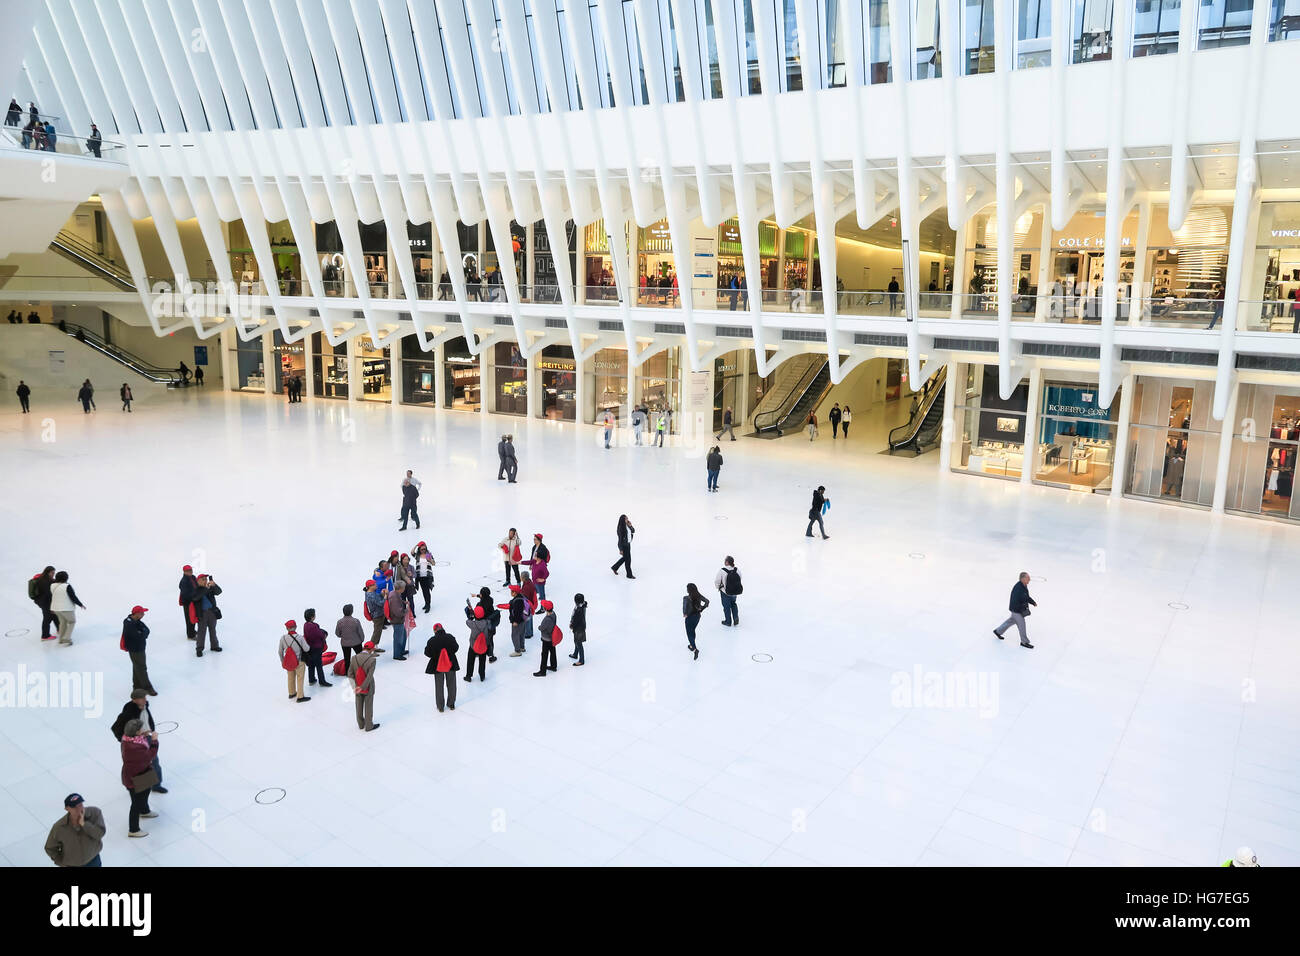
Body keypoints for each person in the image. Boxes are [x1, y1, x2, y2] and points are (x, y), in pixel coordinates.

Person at [111, 689, 167, 793]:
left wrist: (149, 730)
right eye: (143, 698)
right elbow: (115, 727)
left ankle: (155, 785)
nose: (145, 700)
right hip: (136, 741)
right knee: (139, 765)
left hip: (147, 736)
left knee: (154, 762)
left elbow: (146, 720)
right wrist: (125, 740)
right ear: (135, 700)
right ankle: (138, 788)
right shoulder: (128, 712)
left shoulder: (145, 706)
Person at [120, 718, 159, 838]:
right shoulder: (134, 748)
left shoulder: (127, 739)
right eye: (141, 729)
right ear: (136, 732)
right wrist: (154, 741)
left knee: (145, 792)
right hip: (136, 778)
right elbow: (150, 756)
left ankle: (145, 811)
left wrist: (144, 734)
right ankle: (133, 829)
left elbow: (141, 742)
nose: (143, 730)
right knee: (136, 803)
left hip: (140, 774)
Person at [44, 794, 106, 867]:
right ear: (67, 808)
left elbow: (99, 834)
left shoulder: (94, 813)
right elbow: (50, 848)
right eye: (74, 807)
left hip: (93, 861)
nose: (79, 809)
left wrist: (84, 824)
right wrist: (62, 863)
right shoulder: (59, 827)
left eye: (80, 805)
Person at [993, 572, 1037, 649]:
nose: (1029, 579)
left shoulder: (1024, 585)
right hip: (1016, 610)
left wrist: (1032, 602)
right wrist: (1020, 610)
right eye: (1028, 578)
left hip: (1016, 609)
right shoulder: (1018, 588)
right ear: (1022, 579)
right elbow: (1016, 600)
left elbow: (1026, 597)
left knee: (1010, 621)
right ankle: (1024, 642)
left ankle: (998, 631)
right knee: (1022, 625)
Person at [425, 622, 459, 711]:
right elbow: (456, 648)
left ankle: (440, 707)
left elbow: (427, 653)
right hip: (450, 664)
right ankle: (451, 704)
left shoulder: (432, 640)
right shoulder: (450, 637)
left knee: (439, 686)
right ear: (442, 628)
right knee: (451, 684)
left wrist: (436, 655)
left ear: (434, 631)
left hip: (437, 666)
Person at [121, 606, 156, 695]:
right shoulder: (129, 623)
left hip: (139, 648)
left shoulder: (136, 621)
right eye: (142, 613)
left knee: (137, 666)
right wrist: (142, 633)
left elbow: (147, 630)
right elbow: (139, 636)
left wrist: (142, 633)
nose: (143, 615)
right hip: (135, 649)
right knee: (141, 668)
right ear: (136, 614)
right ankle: (148, 687)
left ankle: (136, 686)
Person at [348, 641, 380, 731]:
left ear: (363, 648)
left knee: (358, 705)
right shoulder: (372, 660)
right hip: (368, 687)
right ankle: (369, 725)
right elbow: (369, 676)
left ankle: (361, 724)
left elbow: (350, 674)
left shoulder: (354, 658)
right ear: (372, 649)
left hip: (357, 686)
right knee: (368, 706)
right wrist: (363, 687)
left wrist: (355, 687)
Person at [49, 571, 86, 645]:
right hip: (66, 608)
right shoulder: (67, 586)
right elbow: (73, 597)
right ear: (66, 578)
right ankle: (67, 638)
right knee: (72, 622)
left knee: (62, 623)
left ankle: (61, 639)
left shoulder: (52, 585)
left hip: (56, 608)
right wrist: (80, 604)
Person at [191, 573, 223, 656]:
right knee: (201, 632)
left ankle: (214, 646)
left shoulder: (209, 588)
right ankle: (199, 649)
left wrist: (214, 585)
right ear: (198, 581)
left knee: (213, 630)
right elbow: (195, 597)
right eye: (203, 579)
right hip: (202, 614)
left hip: (212, 612)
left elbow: (219, 592)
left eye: (206, 579)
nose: (205, 580)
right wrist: (206, 589)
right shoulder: (195, 589)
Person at [279, 620, 311, 702]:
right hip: (299, 661)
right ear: (295, 627)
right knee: (300, 678)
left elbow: (280, 652)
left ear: (287, 628)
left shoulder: (283, 638)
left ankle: (292, 693)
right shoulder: (300, 637)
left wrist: (283, 662)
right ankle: (300, 697)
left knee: (290, 677)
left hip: (289, 661)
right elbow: (307, 649)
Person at [303, 608, 332, 688]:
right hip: (317, 648)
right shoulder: (314, 627)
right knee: (319, 665)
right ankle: (322, 681)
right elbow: (321, 635)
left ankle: (311, 679)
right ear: (312, 617)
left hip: (310, 648)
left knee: (311, 664)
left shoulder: (305, 625)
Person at [464, 605, 491, 682]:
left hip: (473, 646)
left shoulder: (473, 624)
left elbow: (467, 621)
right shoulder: (487, 622)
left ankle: (468, 676)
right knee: (482, 661)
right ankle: (482, 675)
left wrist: (471, 616)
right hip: (484, 645)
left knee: (470, 660)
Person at [335, 603, 365, 671]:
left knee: (347, 659)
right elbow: (360, 632)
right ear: (352, 612)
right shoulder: (356, 621)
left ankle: (347, 672)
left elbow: (337, 633)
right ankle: (361, 670)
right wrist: (361, 640)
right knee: (360, 657)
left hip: (345, 643)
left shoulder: (339, 622)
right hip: (356, 642)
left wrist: (343, 636)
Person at [682, 584, 709, 660]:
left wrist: (685, 614)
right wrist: (701, 609)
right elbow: (707, 601)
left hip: (690, 618)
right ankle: (691, 645)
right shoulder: (698, 595)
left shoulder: (686, 598)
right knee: (692, 630)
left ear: (689, 590)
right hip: (697, 617)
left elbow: (684, 608)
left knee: (689, 633)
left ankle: (694, 649)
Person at [532, 600, 558, 677]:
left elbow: (542, 628)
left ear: (546, 609)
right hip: (552, 637)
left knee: (544, 654)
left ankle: (542, 671)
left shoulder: (547, 619)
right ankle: (553, 666)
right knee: (553, 651)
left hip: (546, 639)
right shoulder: (554, 614)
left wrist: (539, 627)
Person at [714, 556, 742, 627]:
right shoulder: (737, 569)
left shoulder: (722, 570)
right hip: (735, 592)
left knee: (726, 607)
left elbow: (717, 581)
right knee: (733, 604)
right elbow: (740, 578)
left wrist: (719, 588)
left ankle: (728, 621)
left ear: (727, 562)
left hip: (725, 592)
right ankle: (736, 618)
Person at [32, 565, 57, 640]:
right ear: (48, 572)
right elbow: (48, 594)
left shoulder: (42, 579)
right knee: (47, 618)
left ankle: (59, 629)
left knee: (54, 615)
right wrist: (51, 607)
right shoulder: (45, 581)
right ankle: (45, 636)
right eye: (52, 573)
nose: (53, 574)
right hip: (45, 602)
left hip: (41, 601)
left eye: (54, 573)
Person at [522, 533, 549, 600]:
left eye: (535, 539)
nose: (534, 540)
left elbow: (542, 559)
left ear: (539, 540)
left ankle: (541, 594)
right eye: (533, 539)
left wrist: (543, 578)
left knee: (539, 580)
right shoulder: (534, 547)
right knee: (535, 578)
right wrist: (531, 564)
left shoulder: (543, 548)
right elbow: (532, 556)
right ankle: (537, 590)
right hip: (535, 563)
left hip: (540, 565)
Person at [387, 584, 409, 661]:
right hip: (397, 620)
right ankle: (397, 655)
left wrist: (403, 602)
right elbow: (398, 612)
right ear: (400, 588)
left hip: (398, 620)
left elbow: (398, 603)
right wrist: (406, 611)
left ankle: (401, 651)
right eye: (404, 587)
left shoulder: (395, 593)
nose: (404, 589)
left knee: (403, 636)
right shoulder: (394, 597)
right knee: (398, 638)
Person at [413, 541, 435, 612]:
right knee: (423, 591)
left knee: (427, 591)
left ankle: (428, 605)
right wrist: (416, 545)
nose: (423, 550)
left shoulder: (428, 555)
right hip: (420, 576)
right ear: (419, 549)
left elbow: (433, 563)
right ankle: (426, 604)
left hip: (427, 576)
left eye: (424, 549)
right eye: (422, 549)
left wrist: (430, 560)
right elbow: (412, 552)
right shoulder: (418, 556)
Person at [178, 564, 198, 640]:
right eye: (188, 570)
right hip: (188, 603)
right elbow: (185, 594)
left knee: (193, 617)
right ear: (184, 572)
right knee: (189, 619)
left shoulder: (193, 577)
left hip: (194, 601)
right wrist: (194, 596)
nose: (190, 571)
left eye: (191, 570)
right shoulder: (184, 581)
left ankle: (192, 631)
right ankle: (190, 635)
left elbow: (196, 586)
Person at [568, 593, 587, 666]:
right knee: (576, 640)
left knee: (579, 643)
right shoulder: (582, 605)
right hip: (580, 626)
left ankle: (581, 660)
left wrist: (571, 625)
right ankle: (575, 654)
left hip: (579, 628)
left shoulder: (579, 610)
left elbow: (576, 620)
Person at [507, 585, 527, 657]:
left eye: (511, 591)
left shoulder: (517, 601)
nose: (510, 592)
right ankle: (522, 647)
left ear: (514, 593)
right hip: (523, 619)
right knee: (521, 633)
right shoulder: (521, 597)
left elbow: (517, 612)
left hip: (517, 621)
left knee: (515, 635)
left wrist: (515, 621)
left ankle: (517, 651)